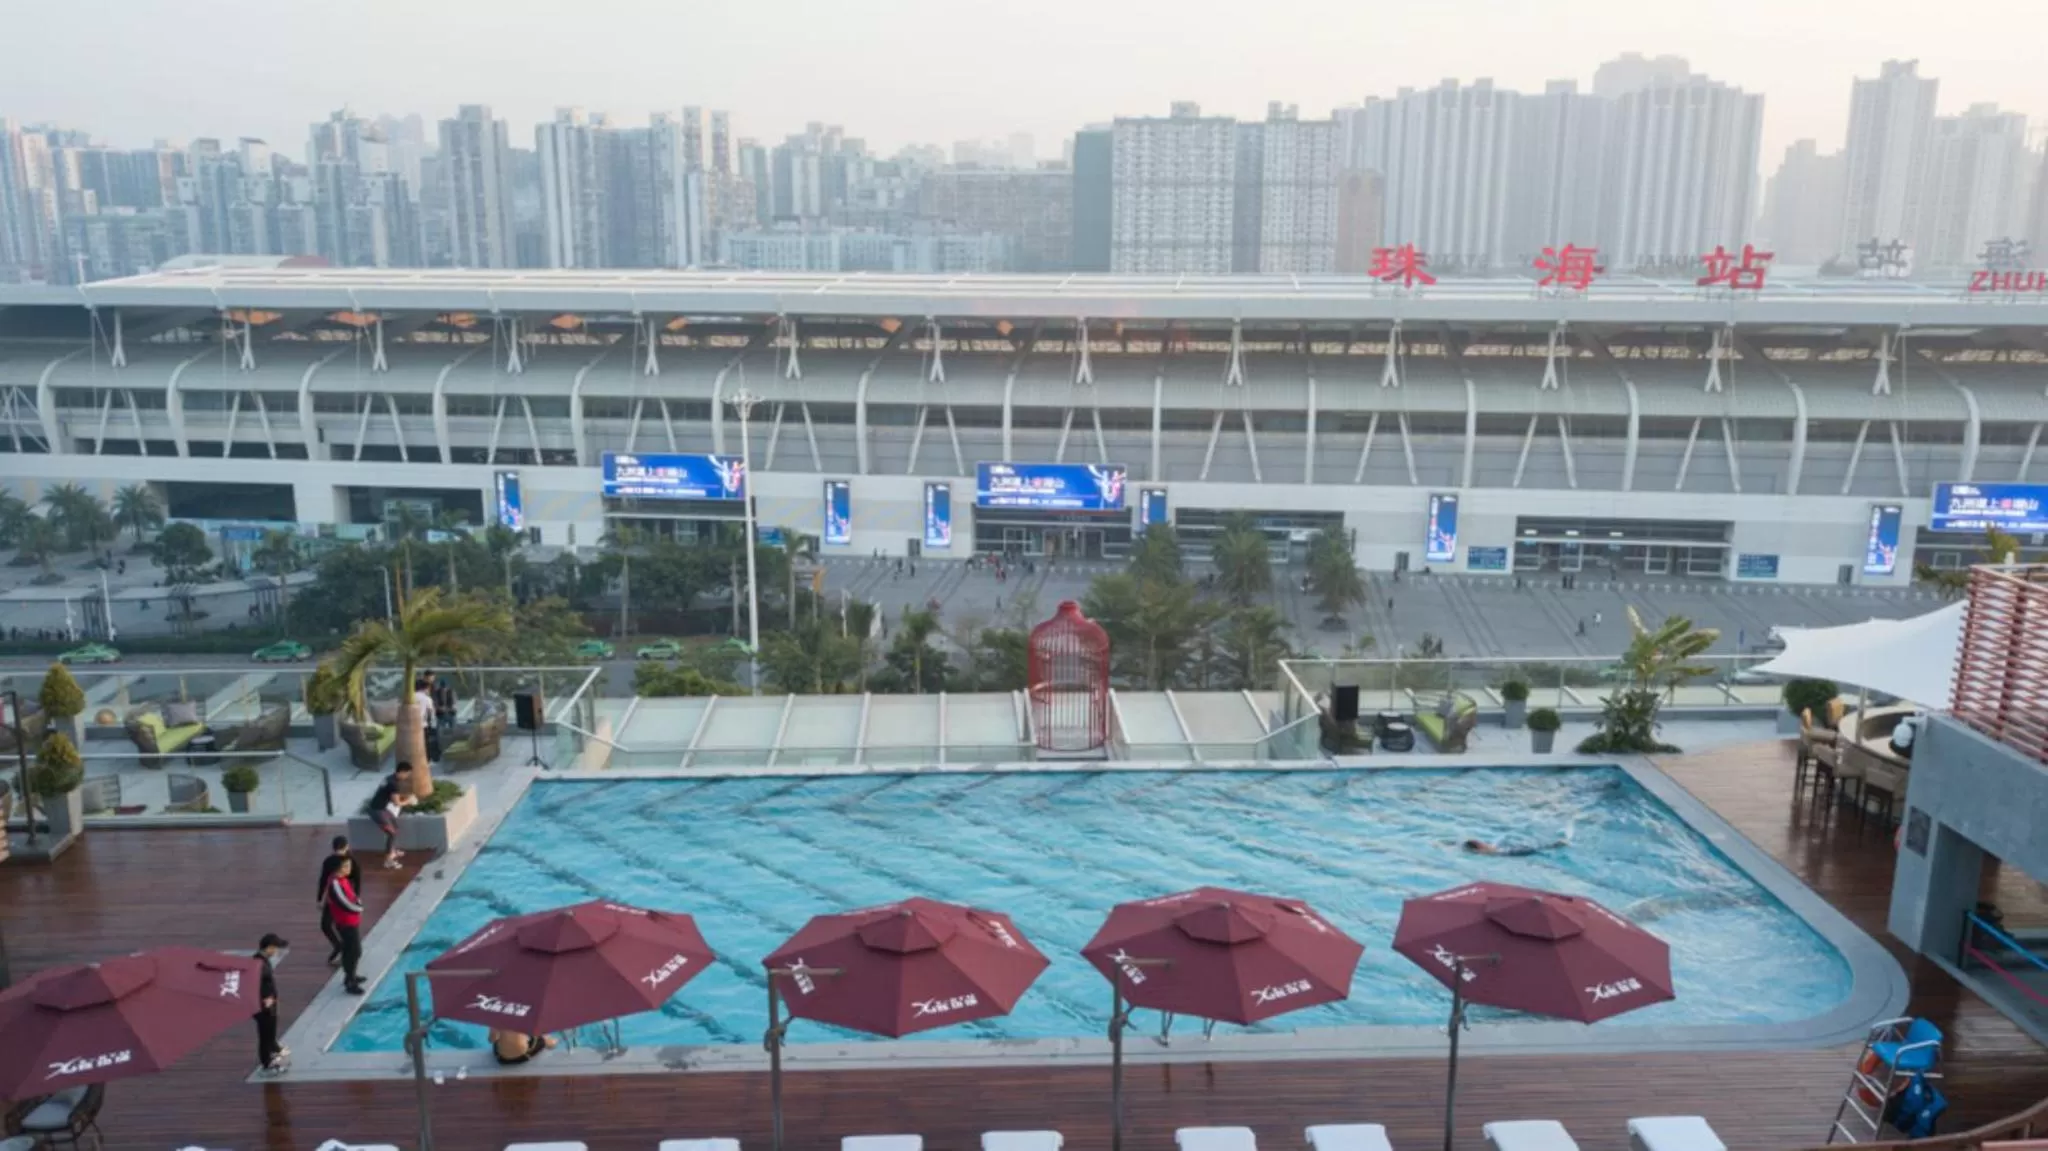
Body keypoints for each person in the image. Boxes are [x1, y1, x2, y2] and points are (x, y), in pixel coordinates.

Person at [326, 856, 367, 994]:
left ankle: (351, 975)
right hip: (345, 923)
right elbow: (343, 903)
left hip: (352, 921)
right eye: (346, 866)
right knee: (354, 951)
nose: (349, 869)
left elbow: (353, 896)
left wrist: (358, 903)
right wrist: (359, 908)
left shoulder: (343, 880)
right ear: (338, 868)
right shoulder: (335, 883)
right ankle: (350, 981)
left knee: (352, 950)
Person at [253, 932, 290, 1073]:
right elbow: (254, 985)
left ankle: (273, 1050)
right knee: (265, 1034)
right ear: (268, 947)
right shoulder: (258, 964)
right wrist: (264, 1000)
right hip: (263, 1006)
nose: (276, 952)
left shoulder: (263, 960)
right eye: (275, 948)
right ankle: (267, 1063)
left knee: (271, 1030)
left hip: (269, 1004)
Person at [369, 762, 415, 869]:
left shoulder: (389, 778)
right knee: (392, 833)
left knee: (396, 828)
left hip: (382, 808)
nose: (407, 777)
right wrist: (409, 801)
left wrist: (404, 797)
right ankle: (388, 861)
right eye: (407, 774)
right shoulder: (394, 784)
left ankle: (392, 850)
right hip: (377, 811)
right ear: (402, 772)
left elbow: (389, 795)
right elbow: (397, 803)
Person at [316, 835, 351, 966]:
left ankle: (340, 947)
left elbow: (323, 880)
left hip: (333, 898)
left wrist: (319, 898)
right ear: (346, 846)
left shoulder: (329, 860)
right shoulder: (349, 860)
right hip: (340, 898)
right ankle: (341, 947)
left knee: (327, 925)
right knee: (340, 925)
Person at [1463, 828, 1573, 857]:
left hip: (1507, 850)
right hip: (1509, 852)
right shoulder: (1485, 851)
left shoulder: (1485, 850)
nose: (1482, 842)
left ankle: (1557, 844)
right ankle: (1557, 845)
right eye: (1480, 843)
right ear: (1479, 846)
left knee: (1536, 848)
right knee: (1536, 849)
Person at [489, 1029, 558, 1066]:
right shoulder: (526, 1016)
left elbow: (491, 1039)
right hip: (522, 1056)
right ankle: (551, 1042)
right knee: (543, 1040)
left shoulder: (497, 1017)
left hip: (501, 1058)